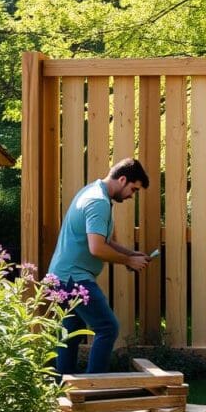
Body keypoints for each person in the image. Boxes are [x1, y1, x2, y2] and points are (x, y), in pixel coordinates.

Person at [49, 158, 152, 375]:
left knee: (71, 334)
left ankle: (64, 390)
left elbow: (104, 241)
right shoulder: (99, 202)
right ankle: (94, 387)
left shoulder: (93, 191)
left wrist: (130, 254)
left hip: (62, 276)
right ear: (122, 179)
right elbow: (96, 248)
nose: (131, 195)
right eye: (132, 189)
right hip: (74, 278)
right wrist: (128, 261)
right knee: (107, 327)